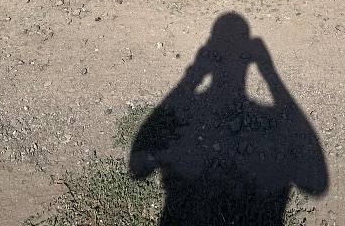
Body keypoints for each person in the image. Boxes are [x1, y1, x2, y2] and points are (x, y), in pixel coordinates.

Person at [130, 13, 328, 225]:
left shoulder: (193, 110)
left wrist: (193, 76)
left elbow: (138, 167)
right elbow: (316, 182)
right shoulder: (266, 117)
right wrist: (270, 74)